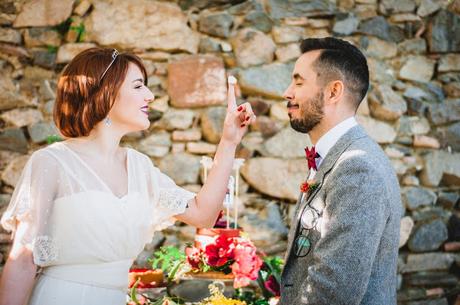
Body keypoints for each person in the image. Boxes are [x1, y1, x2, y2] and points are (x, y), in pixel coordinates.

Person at [0, 48, 255, 305]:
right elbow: (22, 259)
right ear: (105, 94)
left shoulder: (140, 167)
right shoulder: (51, 163)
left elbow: (204, 214)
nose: (150, 95)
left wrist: (229, 141)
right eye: (138, 86)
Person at [279, 37, 402, 305]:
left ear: (334, 92)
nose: (287, 92)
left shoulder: (358, 168)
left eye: (299, 82)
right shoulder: (338, 157)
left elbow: (333, 291)